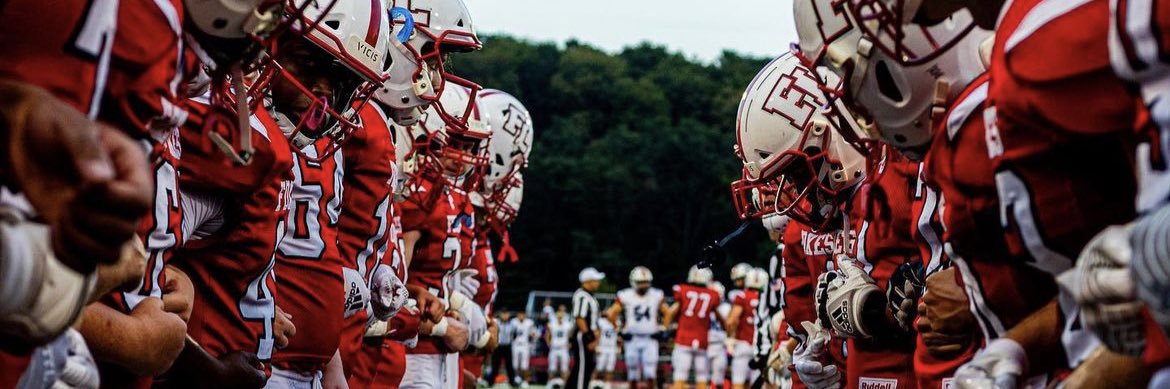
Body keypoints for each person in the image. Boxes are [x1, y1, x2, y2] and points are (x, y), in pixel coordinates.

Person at [606, 266, 668, 389]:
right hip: (632, 338)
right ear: (633, 282)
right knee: (632, 373)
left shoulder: (656, 294)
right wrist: (619, 329)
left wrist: (663, 328)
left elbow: (668, 312)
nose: (644, 285)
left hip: (650, 337)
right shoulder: (626, 295)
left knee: (650, 372)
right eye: (640, 282)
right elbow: (611, 313)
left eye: (646, 282)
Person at [665, 266, 724, 389]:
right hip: (702, 340)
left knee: (680, 375)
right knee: (702, 377)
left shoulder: (683, 290)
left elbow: (671, 312)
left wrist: (665, 328)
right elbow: (720, 318)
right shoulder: (712, 294)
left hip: (684, 338)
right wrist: (727, 329)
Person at [570, 267, 604, 389]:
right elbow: (579, 318)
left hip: (588, 336)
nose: (598, 283)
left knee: (587, 366)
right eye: (595, 280)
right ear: (587, 281)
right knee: (583, 367)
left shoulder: (590, 297)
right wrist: (589, 338)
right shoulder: (582, 296)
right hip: (583, 336)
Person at [489, 311, 517, 387]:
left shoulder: (512, 323)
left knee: (509, 365)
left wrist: (511, 341)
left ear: (509, 314)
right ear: (500, 314)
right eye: (503, 314)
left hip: (507, 346)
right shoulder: (496, 322)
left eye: (506, 314)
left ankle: (512, 382)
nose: (505, 316)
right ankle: (491, 381)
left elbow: (515, 334)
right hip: (498, 346)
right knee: (495, 364)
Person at [548, 309, 574, 385]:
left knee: (565, 368)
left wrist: (570, 343)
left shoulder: (567, 325)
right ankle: (549, 383)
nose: (560, 318)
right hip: (554, 348)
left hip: (563, 348)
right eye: (559, 316)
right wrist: (549, 343)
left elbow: (571, 334)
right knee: (552, 368)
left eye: (561, 317)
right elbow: (547, 335)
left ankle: (565, 384)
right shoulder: (552, 324)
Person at [510, 311, 536, 387]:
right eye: (519, 314)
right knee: (515, 364)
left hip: (525, 345)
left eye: (522, 314)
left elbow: (534, 333)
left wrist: (531, 340)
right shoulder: (513, 322)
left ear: (525, 315)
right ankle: (515, 379)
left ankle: (525, 381)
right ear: (517, 315)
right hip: (515, 344)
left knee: (524, 365)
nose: (521, 316)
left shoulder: (529, 322)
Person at [595, 317, 620, 388]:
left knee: (610, 369)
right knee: (598, 367)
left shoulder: (617, 321)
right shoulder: (601, 321)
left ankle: (607, 386)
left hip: (612, 348)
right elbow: (597, 333)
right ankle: (592, 384)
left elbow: (617, 328)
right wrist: (596, 346)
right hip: (602, 347)